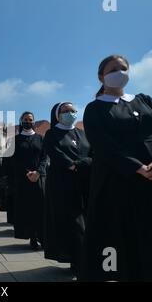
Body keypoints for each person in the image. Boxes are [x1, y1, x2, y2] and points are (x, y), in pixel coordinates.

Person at [81, 54, 152, 281]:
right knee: (127, 243)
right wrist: (138, 167)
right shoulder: (94, 109)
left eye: (124, 68)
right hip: (119, 181)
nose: (120, 72)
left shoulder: (145, 99)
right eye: (113, 69)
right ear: (101, 76)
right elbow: (103, 145)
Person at [43, 102, 92, 276]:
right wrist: (73, 165)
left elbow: (92, 153)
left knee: (84, 221)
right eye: (65, 111)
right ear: (57, 115)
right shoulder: (51, 134)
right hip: (62, 183)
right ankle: (78, 260)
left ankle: (77, 257)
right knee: (73, 222)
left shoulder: (82, 133)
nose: (70, 113)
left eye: (73, 111)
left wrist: (83, 165)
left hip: (84, 182)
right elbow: (56, 154)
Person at [9, 111, 48, 250]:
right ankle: (32, 237)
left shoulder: (40, 138)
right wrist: (27, 173)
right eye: (25, 119)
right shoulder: (15, 140)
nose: (28, 121)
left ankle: (43, 237)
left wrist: (38, 172)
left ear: (33, 121)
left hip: (39, 178)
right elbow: (13, 160)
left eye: (30, 119)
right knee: (28, 209)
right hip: (23, 180)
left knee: (41, 209)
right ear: (21, 121)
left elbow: (45, 157)